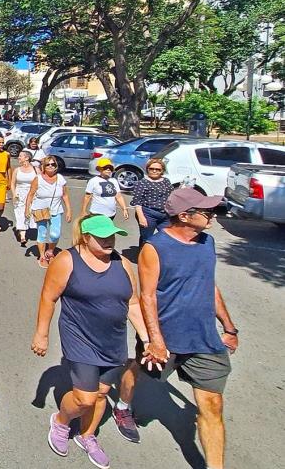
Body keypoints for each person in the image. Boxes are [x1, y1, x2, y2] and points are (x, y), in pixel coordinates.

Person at [113, 188, 237, 467]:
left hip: (204, 337)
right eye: (207, 212)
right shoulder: (155, 248)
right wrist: (155, 341)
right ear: (184, 216)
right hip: (166, 336)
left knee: (213, 405)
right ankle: (122, 406)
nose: (213, 217)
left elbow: (210, 284)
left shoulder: (208, 243)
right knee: (138, 371)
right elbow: (147, 296)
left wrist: (228, 327)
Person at [32, 215, 148, 469]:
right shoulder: (66, 260)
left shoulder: (123, 263)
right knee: (85, 398)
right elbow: (48, 297)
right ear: (85, 237)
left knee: (102, 393)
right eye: (102, 236)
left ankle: (87, 435)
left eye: (111, 235)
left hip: (113, 340)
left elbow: (132, 303)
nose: (109, 241)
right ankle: (61, 421)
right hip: (79, 337)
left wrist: (145, 337)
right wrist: (41, 333)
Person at [25, 155, 72, 269]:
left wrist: (69, 210)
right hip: (40, 209)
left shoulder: (60, 178)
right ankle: (42, 256)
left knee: (55, 234)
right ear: (43, 166)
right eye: (48, 164)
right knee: (42, 233)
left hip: (56, 209)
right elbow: (30, 194)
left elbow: (65, 195)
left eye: (53, 164)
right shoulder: (38, 179)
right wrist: (27, 209)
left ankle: (50, 251)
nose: (51, 166)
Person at [131, 158, 175, 246]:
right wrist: (141, 218)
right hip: (148, 214)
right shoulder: (142, 183)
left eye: (158, 169)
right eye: (151, 169)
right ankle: (144, 257)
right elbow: (137, 202)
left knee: (168, 236)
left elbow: (171, 195)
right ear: (147, 169)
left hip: (165, 214)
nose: (154, 171)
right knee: (147, 238)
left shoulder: (166, 181)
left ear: (162, 170)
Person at [9, 151, 38, 247]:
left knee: (29, 212)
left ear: (27, 158)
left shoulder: (36, 169)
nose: (18, 157)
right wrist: (14, 194)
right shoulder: (17, 170)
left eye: (20, 156)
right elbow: (12, 183)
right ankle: (22, 235)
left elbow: (40, 182)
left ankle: (28, 227)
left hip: (32, 194)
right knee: (19, 213)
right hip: (19, 194)